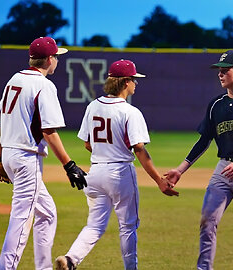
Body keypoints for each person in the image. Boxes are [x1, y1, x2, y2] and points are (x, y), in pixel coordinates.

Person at [55, 59, 179, 270]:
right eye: (133, 80)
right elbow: (139, 149)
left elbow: (87, 144)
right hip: (120, 173)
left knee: (94, 225)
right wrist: (159, 180)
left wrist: (105, 152)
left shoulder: (93, 105)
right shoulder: (130, 112)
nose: (136, 84)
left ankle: (70, 259)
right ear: (125, 82)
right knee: (128, 226)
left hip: (95, 173)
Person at [165, 49, 233, 270]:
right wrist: (180, 170)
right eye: (219, 71)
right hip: (224, 167)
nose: (220, 74)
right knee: (207, 220)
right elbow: (204, 140)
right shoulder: (216, 104)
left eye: (225, 70)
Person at [0, 36, 87, 270]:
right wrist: (69, 164)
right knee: (22, 220)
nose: (57, 61)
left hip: (11, 155)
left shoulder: (15, 79)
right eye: (57, 57)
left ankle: (42, 267)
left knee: (47, 212)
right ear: (50, 59)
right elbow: (49, 131)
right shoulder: (44, 85)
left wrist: (1, 159)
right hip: (26, 159)